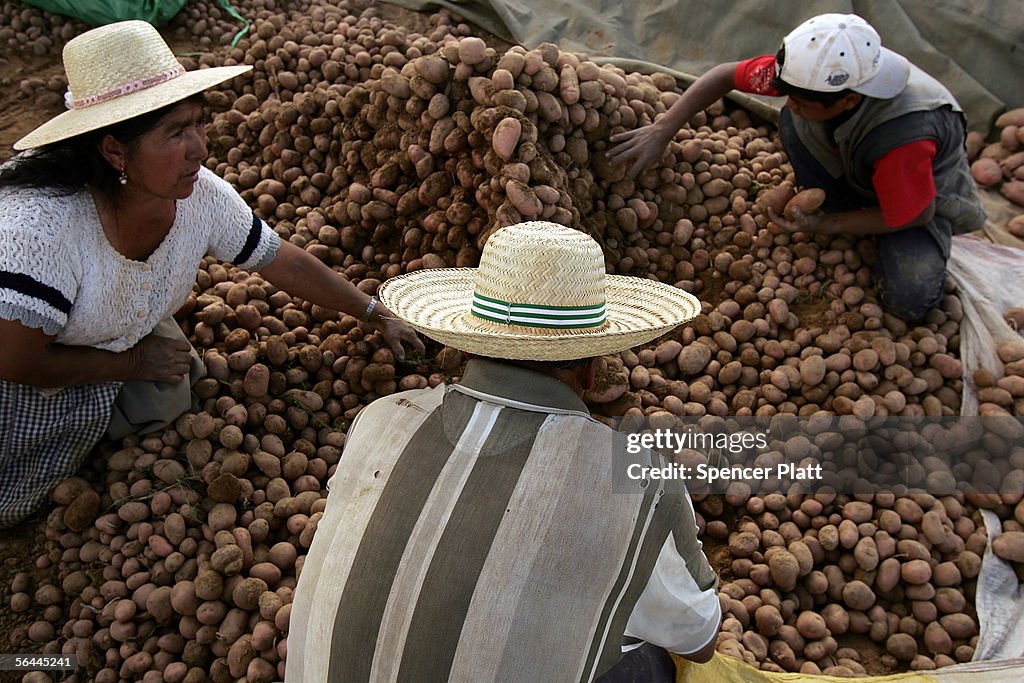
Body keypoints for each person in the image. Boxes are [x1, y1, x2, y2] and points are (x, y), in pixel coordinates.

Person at [0, 20, 424, 528]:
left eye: (198, 124)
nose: (201, 148)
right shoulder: (38, 231)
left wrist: (375, 314)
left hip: (111, 325)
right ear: (114, 150)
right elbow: (16, 361)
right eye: (176, 133)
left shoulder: (200, 195)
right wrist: (134, 362)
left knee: (179, 388)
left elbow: (281, 259)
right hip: (19, 363)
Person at [286, 220, 722, 682]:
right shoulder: (637, 482)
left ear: (468, 346)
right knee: (648, 661)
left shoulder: (379, 418)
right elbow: (701, 640)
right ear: (591, 372)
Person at [607, 13, 986, 323]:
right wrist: (662, 130)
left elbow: (916, 214)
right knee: (794, 120)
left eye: (802, 101)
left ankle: (854, 207)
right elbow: (723, 75)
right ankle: (840, 194)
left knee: (911, 301)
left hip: (920, 198)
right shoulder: (810, 76)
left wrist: (827, 225)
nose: (790, 101)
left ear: (849, 100)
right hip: (862, 157)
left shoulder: (903, 134)